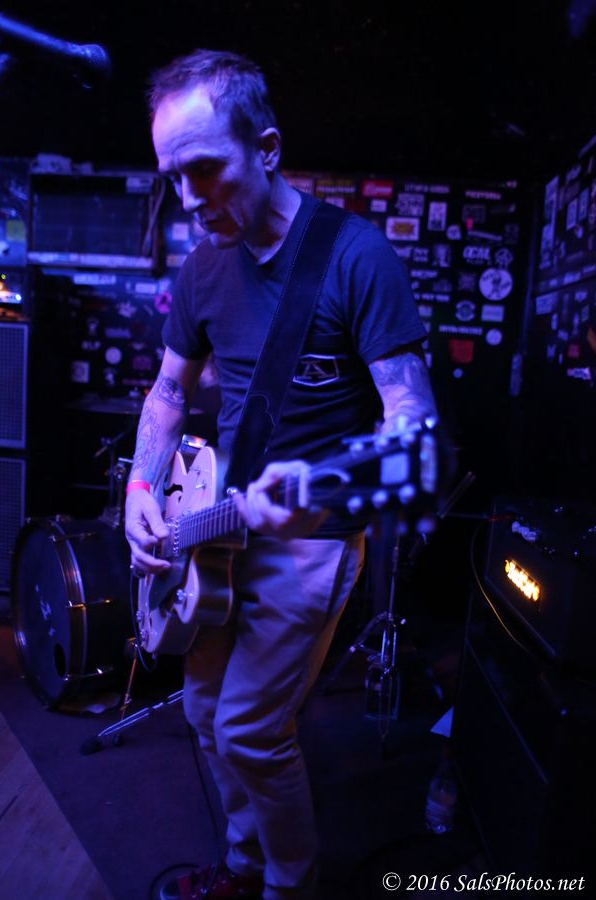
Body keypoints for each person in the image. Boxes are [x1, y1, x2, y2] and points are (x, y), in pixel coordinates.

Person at [125, 48, 437, 900]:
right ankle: (242, 865)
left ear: (266, 148)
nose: (188, 199)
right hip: (216, 527)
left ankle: (289, 886)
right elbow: (167, 395)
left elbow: (410, 424)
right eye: (172, 178)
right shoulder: (202, 268)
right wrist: (142, 492)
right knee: (201, 714)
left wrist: (321, 486)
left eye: (203, 170)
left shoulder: (356, 257)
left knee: (250, 732)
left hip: (311, 536)